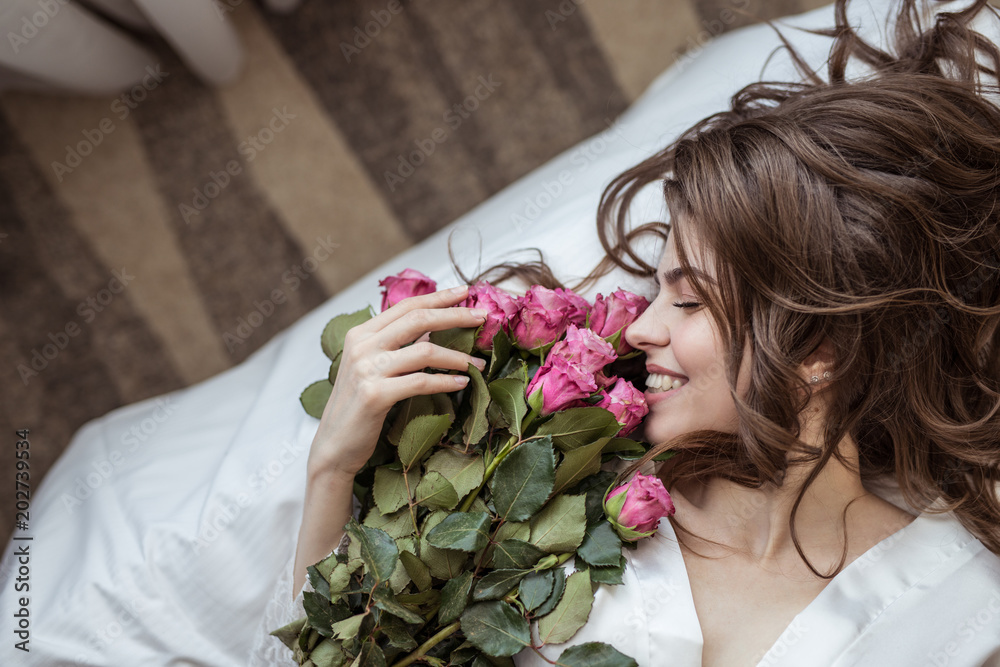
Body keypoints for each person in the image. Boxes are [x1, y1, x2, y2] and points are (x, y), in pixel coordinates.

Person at [249, 0, 1000, 664]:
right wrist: (331, 469)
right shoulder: (548, 492)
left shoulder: (958, 599)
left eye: (689, 302)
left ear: (818, 351)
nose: (639, 327)